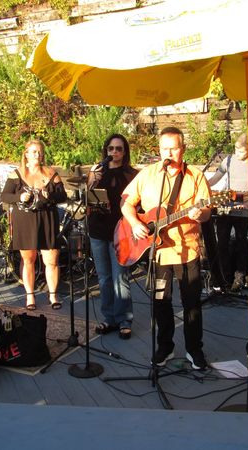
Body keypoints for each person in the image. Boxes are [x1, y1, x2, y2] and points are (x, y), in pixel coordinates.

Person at [121, 126, 211, 370]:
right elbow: (126, 203)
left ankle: (194, 349)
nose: (168, 153)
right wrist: (135, 223)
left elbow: (206, 213)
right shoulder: (148, 174)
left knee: (191, 303)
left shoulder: (195, 176)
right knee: (161, 301)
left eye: (173, 148)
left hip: (187, 249)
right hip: (158, 253)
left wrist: (199, 213)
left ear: (183, 149)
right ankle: (165, 346)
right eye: (164, 148)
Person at [1, 139, 67, 310]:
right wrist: (19, 197)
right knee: (28, 259)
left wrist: (50, 195)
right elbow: (5, 196)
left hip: (47, 219)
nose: (37, 154)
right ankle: (30, 296)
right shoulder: (17, 174)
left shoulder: (51, 173)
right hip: (25, 220)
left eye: (39, 151)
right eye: (33, 151)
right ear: (26, 154)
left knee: (51, 259)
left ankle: (53, 295)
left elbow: (63, 196)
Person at [87, 134, 138, 340]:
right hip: (98, 230)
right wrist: (92, 180)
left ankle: (124, 320)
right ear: (106, 151)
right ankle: (109, 318)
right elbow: (88, 199)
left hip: (121, 232)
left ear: (124, 152)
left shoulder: (132, 174)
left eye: (118, 149)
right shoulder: (98, 172)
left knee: (120, 277)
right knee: (104, 277)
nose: (114, 152)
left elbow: (139, 203)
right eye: (111, 149)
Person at [206, 133, 248, 292]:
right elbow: (215, 178)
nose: (237, 154)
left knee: (241, 243)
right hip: (225, 207)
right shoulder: (228, 161)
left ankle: (239, 279)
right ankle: (223, 277)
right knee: (222, 243)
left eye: (241, 151)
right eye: (236, 150)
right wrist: (202, 184)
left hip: (244, 211)